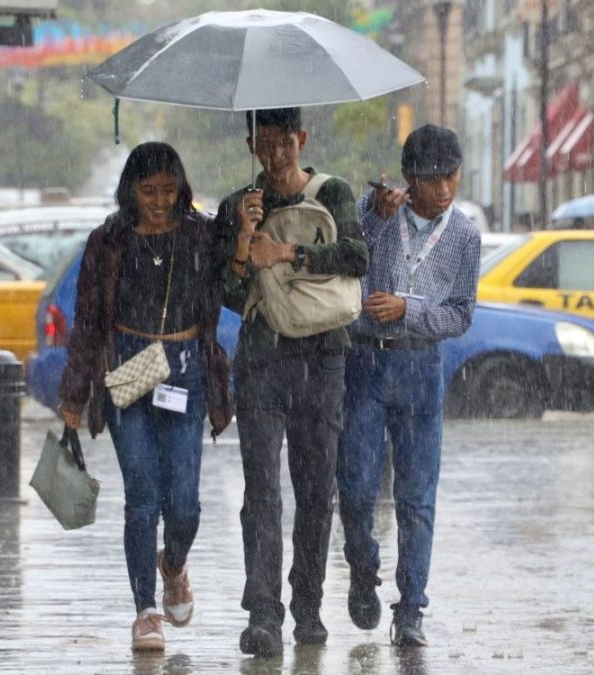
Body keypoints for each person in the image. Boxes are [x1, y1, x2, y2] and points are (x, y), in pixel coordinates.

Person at [57, 142, 233, 652]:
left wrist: (242, 229)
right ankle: (145, 610)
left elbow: (238, 273)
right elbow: (87, 321)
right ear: (130, 190)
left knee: (184, 503)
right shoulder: (108, 241)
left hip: (185, 371)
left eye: (168, 190)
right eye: (149, 191)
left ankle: (173, 564)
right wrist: (75, 392)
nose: (159, 201)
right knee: (142, 496)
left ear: (182, 189)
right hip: (126, 372)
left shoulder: (202, 234)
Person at [215, 107, 369, 657]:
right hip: (261, 361)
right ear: (251, 143)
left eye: (285, 144)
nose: (275, 156)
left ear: (301, 140)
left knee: (314, 491)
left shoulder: (335, 193)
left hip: (324, 360)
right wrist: (242, 239)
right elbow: (228, 297)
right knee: (261, 491)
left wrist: (288, 252)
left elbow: (356, 256)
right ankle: (263, 613)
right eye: (264, 145)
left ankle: (308, 605)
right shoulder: (238, 205)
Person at [336, 124, 481, 647]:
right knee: (353, 487)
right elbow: (348, 264)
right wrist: (374, 220)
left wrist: (410, 310)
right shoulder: (373, 212)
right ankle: (362, 563)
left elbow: (462, 314)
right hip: (365, 364)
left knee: (417, 496)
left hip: (422, 368)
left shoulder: (464, 236)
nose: (443, 189)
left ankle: (411, 608)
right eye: (432, 179)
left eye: (452, 176)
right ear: (408, 178)